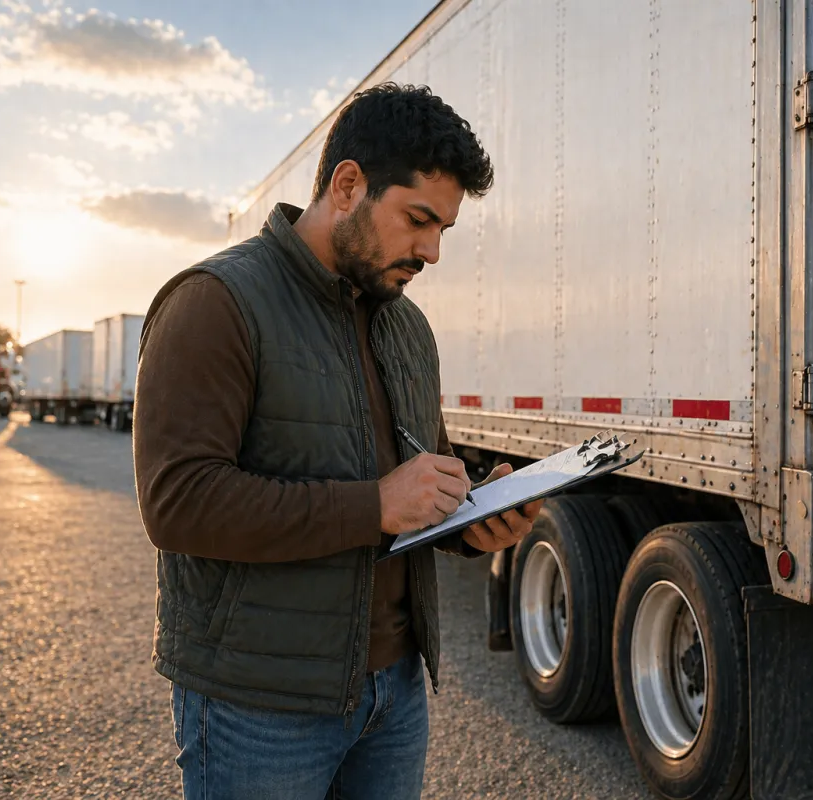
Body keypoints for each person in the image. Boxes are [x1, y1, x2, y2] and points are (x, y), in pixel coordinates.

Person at [133, 83, 544, 800]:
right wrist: (375, 506)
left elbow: (417, 479)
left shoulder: (406, 326)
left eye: (444, 229)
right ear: (348, 185)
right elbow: (178, 504)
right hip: (257, 704)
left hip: (394, 697)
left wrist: (472, 522)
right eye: (419, 220)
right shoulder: (216, 303)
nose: (433, 251)